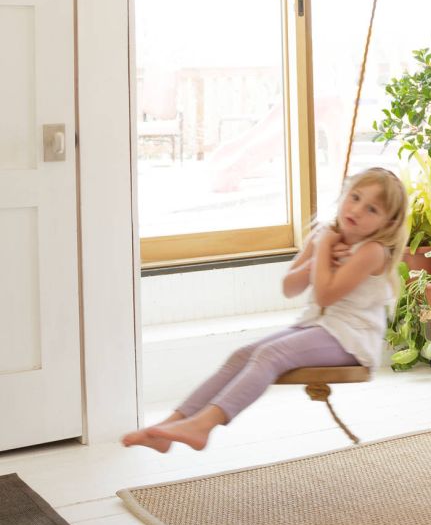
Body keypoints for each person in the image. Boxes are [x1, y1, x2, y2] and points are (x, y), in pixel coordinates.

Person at [123, 167, 408, 453]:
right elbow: (290, 287)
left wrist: (324, 250)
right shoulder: (326, 234)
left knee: (270, 355)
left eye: (371, 209)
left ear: (388, 222)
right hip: (318, 327)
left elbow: (324, 295)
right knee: (241, 356)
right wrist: (319, 254)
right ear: (344, 193)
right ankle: (172, 426)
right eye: (355, 197)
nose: (357, 210)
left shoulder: (372, 251)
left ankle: (203, 426)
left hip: (351, 338)